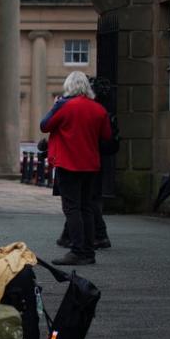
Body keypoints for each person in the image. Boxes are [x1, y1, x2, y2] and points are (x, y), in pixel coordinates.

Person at [40, 71, 112, 266]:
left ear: (69, 86)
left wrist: (57, 104)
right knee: (86, 207)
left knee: (71, 208)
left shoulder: (65, 106)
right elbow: (106, 135)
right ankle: (88, 251)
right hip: (90, 164)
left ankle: (78, 251)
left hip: (69, 163)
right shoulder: (98, 109)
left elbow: (44, 125)